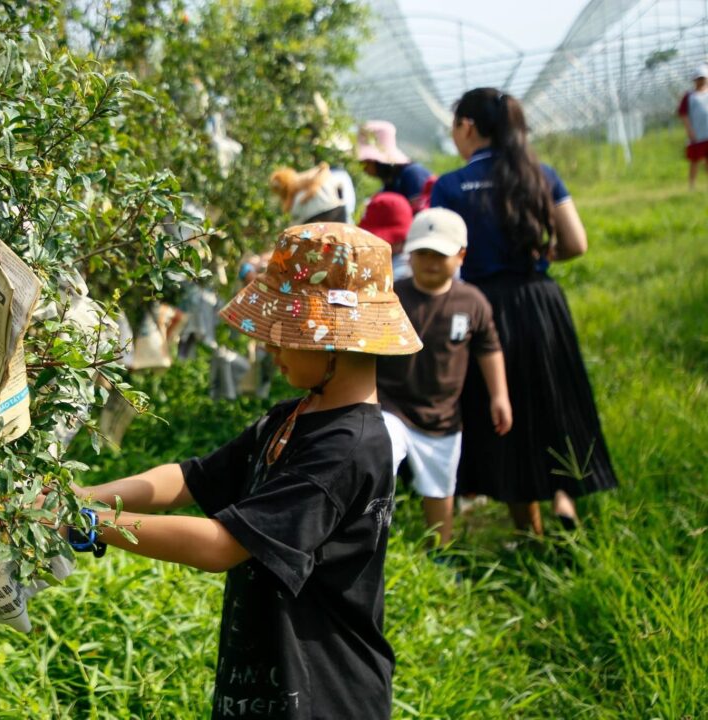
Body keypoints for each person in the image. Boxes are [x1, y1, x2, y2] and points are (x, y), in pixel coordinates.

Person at [62, 224, 422, 718]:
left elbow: (221, 546)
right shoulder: (292, 416)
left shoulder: (349, 449)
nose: (270, 347)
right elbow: (191, 477)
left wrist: (93, 523)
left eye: (284, 335)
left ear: (332, 343)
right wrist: (83, 493)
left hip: (323, 693)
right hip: (268, 679)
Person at [430, 87, 618, 535]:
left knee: (504, 418)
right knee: (553, 400)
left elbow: (444, 264)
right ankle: (564, 502)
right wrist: (535, 256)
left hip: (485, 310)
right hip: (541, 302)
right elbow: (576, 243)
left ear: (467, 127)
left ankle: (528, 532)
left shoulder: (451, 186)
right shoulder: (540, 174)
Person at [376, 208, 511, 547]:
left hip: (442, 415)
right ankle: (370, 541)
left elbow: (488, 348)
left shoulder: (472, 302)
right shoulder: (391, 295)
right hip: (390, 406)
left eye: (440, 254)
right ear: (409, 252)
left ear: (461, 255)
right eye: (423, 253)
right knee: (379, 461)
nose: (430, 262)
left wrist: (500, 396)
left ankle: (441, 552)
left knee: (440, 489)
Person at [356, 120, 435, 213]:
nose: (362, 166)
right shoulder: (391, 182)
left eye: (366, 161)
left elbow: (422, 215)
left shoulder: (413, 175)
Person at [269, 162, 356, 223]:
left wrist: (313, 188)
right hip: (328, 211)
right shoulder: (294, 194)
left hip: (327, 210)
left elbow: (324, 169)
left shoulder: (297, 182)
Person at [358, 191, 414, 280]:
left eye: (381, 239)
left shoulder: (404, 270)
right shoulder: (380, 260)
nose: (372, 244)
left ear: (401, 239)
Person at [677, 65, 708, 189]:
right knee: (694, 160)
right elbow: (683, 114)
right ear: (695, 80)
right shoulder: (689, 96)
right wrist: (689, 130)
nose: (701, 81)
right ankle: (692, 186)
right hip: (697, 134)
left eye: (703, 78)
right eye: (699, 78)